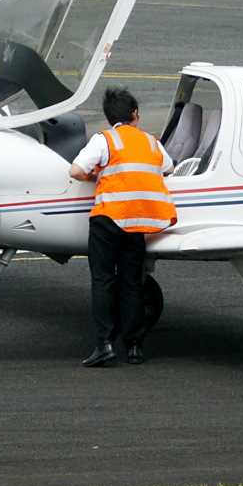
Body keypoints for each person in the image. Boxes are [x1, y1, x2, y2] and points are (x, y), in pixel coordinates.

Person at [69, 86, 177, 367]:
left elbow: (76, 170)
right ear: (135, 115)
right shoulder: (152, 142)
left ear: (108, 118)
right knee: (131, 283)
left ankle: (105, 344)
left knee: (103, 281)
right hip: (138, 220)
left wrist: (101, 175)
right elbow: (169, 168)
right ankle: (134, 347)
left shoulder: (105, 140)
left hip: (108, 219)